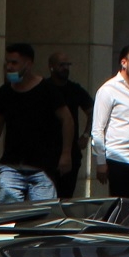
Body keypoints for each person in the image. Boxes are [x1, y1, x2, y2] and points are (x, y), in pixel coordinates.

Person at [0, 42, 76, 204]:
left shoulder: (47, 89)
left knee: (42, 216)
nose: (9, 67)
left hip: (42, 167)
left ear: (28, 64)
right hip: (12, 165)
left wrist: (66, 153)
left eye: (14, 63)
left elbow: (67, 119)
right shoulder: (5, 91)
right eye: (7, 62)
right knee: (9, 215)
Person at [91, 43, 129, 199]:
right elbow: (97, 129)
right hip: (117, 158)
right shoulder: (108, 90)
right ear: (124, 63)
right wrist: (101, 162)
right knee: (119, 204)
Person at [48, 53, 93, 195]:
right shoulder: (44, 88)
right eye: (61, 65)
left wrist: (86, 135)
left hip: (70, 153)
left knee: (65, 196)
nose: (65, 68)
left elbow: (93, 111)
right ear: (51, 67)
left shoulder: (75, 89)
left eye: (68, 65)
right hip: (46, 153)